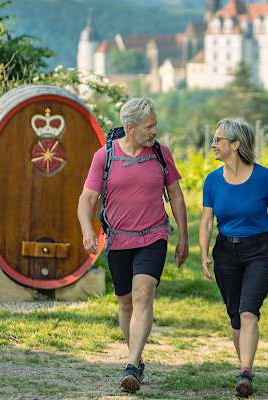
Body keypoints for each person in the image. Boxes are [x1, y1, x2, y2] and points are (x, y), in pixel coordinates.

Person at [77, 97, 189, 393]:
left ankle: (131, 364)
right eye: (149, 126)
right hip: (118, 239)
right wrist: (88, 230)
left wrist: (183, 237)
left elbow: (175, 196)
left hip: (153, 236)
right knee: (125, 303)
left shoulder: (161, 154)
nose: (155, 131)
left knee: (143, 294)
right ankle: (135, 361)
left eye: (155, 125)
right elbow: (87, 199)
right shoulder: (105, 156)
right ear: (130, 127)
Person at [199, 117, 268, 398]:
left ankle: (245, 372)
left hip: (260, 251)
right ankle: (244, 365)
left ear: (236, 144)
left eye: (218, 139)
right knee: (235, 315)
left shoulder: (263, 177)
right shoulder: (211, 180)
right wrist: (204, 253)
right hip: (225, 253)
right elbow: (207, 221)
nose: (213, 144)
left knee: (248, 311)